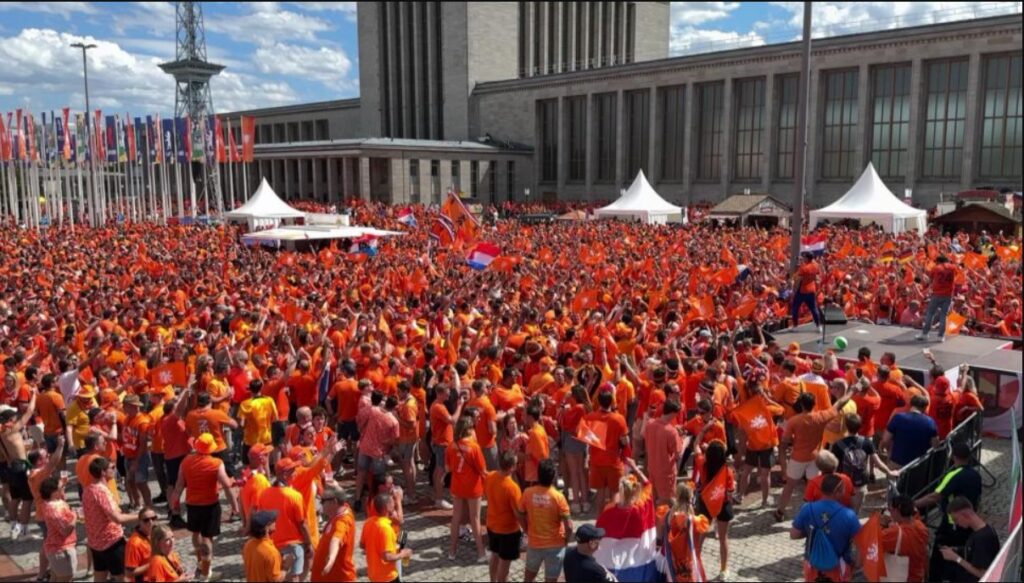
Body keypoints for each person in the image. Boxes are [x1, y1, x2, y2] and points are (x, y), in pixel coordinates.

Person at [775, 385, 856, 522]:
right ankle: (814, 513)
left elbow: (783, 444)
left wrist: (783, 467)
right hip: (815, 459)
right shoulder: (822, 416)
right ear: (814, 404)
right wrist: (854, 390)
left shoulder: (794, 421)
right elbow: (840, 403)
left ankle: (780, 511)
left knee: (789, 486)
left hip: (797, 458)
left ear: (801, 404)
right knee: (815, 487)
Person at [171, 432, 239, 580]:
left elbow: (179, 485)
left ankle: (200, 562)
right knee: (207, 537)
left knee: (196, 533)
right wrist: (235, 505)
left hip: (192, 504)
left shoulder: (186, 461)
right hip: (210, 505)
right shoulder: (216, 463)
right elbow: (227, 484)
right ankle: (205, 573)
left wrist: (174, 505)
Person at [914, 441, 982, 582]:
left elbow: (935, 496)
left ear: (953, 457)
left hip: (952, 525)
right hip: (968, 523)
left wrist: (913, 504)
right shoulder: (976, 475)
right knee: (962, 554)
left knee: (939, 557)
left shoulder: (953, 474)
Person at [790, 474, 862, 582]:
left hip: (813, 566)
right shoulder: (849, 515)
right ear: (837, 491)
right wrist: (857, 565)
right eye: (843, 490)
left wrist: (809, 531)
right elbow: (861, 545)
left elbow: (794, 534)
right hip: (839, 567)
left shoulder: (807, 508)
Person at [82, 457, 138, 583]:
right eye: (112, 468)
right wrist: (139, 516)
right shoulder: (101, 492)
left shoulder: (87, 489)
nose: (115, 470)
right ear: (103, 472)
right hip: (111, 543)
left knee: (100, 577)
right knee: (124, 577)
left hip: (96, 543)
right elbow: (117, 518)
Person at [257, 457, 312, 583]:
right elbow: (302, 524)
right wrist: (309, 544)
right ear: (285, 474)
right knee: (294, 578)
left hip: (271, 545)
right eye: (293, 470)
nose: (296, 473)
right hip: (293, 545)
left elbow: (260, 519)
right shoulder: (294, 496)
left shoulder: (264, 494)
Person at [518, 458, 573, 583]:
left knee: (528, 578)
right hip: (556, 546)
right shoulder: (559, 497)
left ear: (538, 475)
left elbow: (520, 513)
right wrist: (566, 540)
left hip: (534, 544)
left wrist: (525, 528)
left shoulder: (527, 493)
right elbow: (569, 526)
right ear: (553, 476)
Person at [829, 413, 893, 512]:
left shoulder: (838, 445)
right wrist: (889, 472)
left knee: (840, 510)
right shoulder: (867, 442)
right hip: (860, 483)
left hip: (843, 484)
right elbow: (878, 463)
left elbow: (831, 466)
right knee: (855, 511)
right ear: (860, 427)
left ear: (846, 426)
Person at [445, 415, 487, 561]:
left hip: (457, 486)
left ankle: (452, 551)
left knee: (456, 518)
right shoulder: (474, 447)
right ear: (469, 429)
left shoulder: (451, 445)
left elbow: (448, 468)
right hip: (473, 487)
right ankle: (481, 552)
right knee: (475, 518)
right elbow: (483, 470)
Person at [583, 391, 629, 516]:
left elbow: (585, 438)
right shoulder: (619, 419)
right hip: (614, 461)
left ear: (598, 402)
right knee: (615, 492)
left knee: (600, 492)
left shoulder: (589, 417)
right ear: (612, 402)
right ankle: (614, 518)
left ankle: (600, 519)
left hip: (596, 461)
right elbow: (625, 441)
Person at [0, 386, 37, 539]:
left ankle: (14, 527)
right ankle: (23, 531)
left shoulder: (2, 432)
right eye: (14, 417)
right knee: (28, 500)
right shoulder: (12, 429)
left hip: (10, 467)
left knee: (15, 498)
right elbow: (29, 411)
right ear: (10, 420)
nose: (16, 418)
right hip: (21, 467)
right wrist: (34, 394)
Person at [694, 440, 734, 579]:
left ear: (708, 455)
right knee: (723, 539)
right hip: (722, 505)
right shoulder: (728, 471)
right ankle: (724, 570)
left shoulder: (702, 465)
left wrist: (703, 435)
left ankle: (695, 565)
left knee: (700, 538)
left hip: (705, 504)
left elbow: (696, 446)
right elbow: (730, 492)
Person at [939, 497, 1001, 583]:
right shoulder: (984, 530)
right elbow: (975, 551)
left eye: (955, 519)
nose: (956, 524)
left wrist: (956, 558)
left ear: (965, 514)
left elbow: (983, 574)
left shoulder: (982, 538)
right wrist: (956, 550)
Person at [484, 451, 524, 583]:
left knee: (494, 556)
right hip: (508, 530)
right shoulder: (512, 488)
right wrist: (527, 530)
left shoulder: (490, 476)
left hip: (492, 525)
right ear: (512, 467)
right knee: (504, 564)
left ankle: (492, 580)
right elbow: (518, 513)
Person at [361, 492, 412, 583]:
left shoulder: (368, 522)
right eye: (392, 502)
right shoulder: (385, 528)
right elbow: (387, 557)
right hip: (387, 577)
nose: (395, 504)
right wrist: (403, 554)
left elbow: (362, 545)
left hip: (373, 574)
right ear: (386, 508)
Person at [664, 483, 710, 583]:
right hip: (688, 554)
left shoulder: (670, 513)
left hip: (674, 554)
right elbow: (704, 527)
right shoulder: (691, 518)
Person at [430, 383, 466, 510]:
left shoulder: (438, 405)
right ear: (440, 393)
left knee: (438, 471)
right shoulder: (438, 407)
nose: (449, 394)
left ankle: (438, 496)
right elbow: (453, 420)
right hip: (442, 443)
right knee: (441, 472)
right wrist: (460, 406)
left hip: (440, 441)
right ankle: (439, 499)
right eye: (447, 392)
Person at [643, 398, 684, 505]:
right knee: (667, 502)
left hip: (652, 468)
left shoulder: (650, 424)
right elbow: (678, 453)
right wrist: (683, 439)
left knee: (653, 500)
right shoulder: (671, 432)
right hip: (666, 473)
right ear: (673, 413)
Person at [311, 487, 357, 583]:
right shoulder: (339, 512)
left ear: (334, 502)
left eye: (323, 501)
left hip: (338, 576)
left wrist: (331, 558)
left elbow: (336, 539)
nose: (320, 504)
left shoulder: (343, 521)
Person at [881, 495, 930, 583]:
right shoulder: (921, 526)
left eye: (890, 509)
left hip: (901, 577)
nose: (889, 511)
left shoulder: (894, 533)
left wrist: (883, 525)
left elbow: (875, 542)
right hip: (918, 575)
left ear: (897, 510)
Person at [38, 476, 77, 582]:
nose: (64, 488)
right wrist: (75, 518)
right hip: (61, 550)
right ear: (53, 492)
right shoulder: (53, 510)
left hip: (57, 547)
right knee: (66, 577)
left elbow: (62, 501)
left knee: (55, 577)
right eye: (61, 487)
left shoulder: (53, 502)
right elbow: (65, 531)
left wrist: (62, 483)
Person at [881, 395, 939, 467]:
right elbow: (935, 445)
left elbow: (886, 440)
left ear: (911, 404)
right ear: (925, 407)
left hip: (897, 462)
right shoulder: (930, 422)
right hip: (918, 465)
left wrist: (883, 449)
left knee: (893, 478)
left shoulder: (898, 418)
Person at [121, 395, 154, 511]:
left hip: (139, 457)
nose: (123, 408)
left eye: (124, 406)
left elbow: (143, 444)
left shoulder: (142, 422)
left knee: (141, 482)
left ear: (132, 406)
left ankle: (149, 506)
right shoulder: (127, 418)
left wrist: (136, 461)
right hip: (128, 455)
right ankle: (137, 504)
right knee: (130, 481)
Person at [243, 509, 290, 583]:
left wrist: (278, 560)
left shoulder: (248, 544)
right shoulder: (271, 553)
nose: (275, 522)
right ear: (267, 528)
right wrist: (286, 568)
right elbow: (276, 580)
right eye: (273, 521)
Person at [917, 255, 957, 342]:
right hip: (948, 294)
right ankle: (941, 336)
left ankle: (925, 334)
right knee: (944, 315)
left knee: (930, 314)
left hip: (937, 294)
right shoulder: (953, 268)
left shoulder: (936, 268)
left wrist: (920, 273)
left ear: (938, 261)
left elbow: (928, 281)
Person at [792, 251, 823, 333]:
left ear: (807, 258)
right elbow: (814, 270)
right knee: (813, 309)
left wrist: (794, 289)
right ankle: (819, 326)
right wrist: (802, 261)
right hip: (812, 289)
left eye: (804, 257)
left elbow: (798, 279)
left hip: (802, 290)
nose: (803, 258)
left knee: (795, 308)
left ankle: (795, 326)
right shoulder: (816, 265)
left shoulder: (803, 268)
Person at [126, 507, 158, 583]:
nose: (150, 522)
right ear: (139, 522)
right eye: (146, 520)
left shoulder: (156, 532)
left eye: (153, 518)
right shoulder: (134, 543)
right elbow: (129, 573)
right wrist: (153, 563)